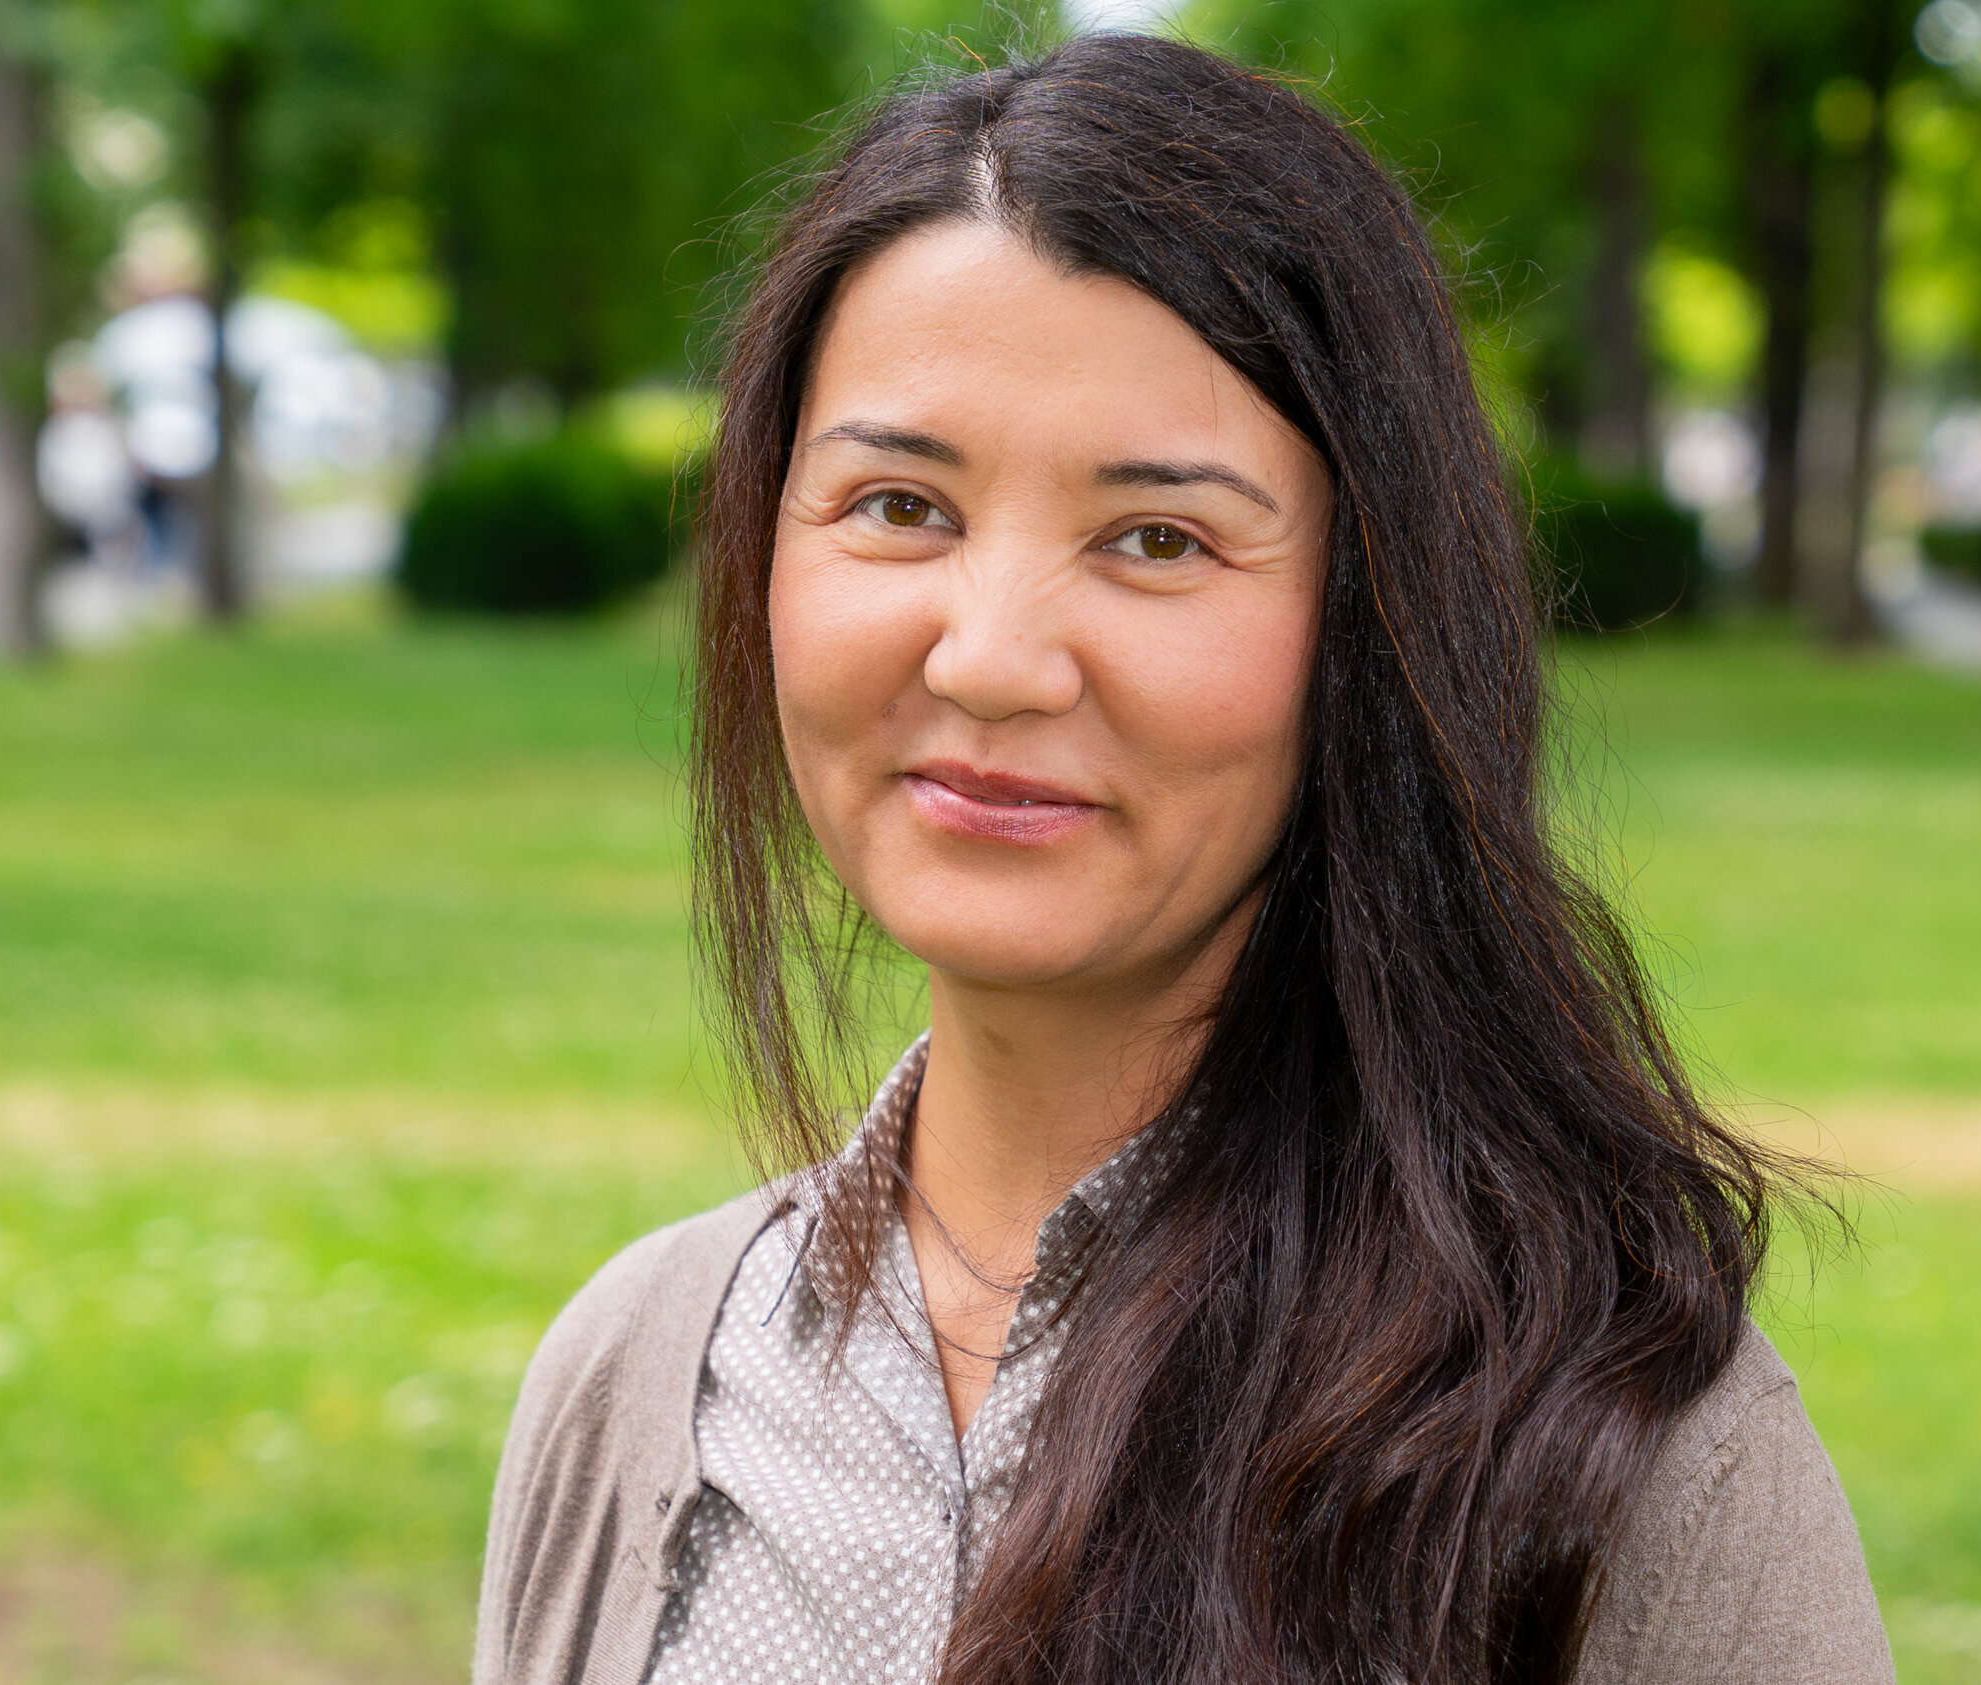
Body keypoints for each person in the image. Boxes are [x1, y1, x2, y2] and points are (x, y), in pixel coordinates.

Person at [477, 35, 1891, 1685]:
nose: (992, 658)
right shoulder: (638, 1375)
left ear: (1368, 625)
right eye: (901, 505)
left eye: (1158, 538)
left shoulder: (1614, 1454)